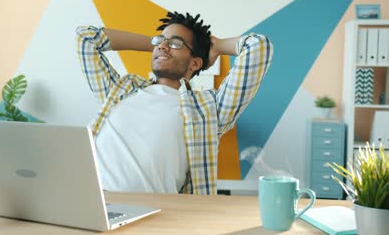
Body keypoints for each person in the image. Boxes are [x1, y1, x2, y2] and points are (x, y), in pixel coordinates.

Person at [76, 11, 273, 195]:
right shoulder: (120, 89)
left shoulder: (208, 109)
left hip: (148, 216)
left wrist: (217, 46)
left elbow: (258, 46)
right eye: (160, 41)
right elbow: (85, 38)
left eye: (176, 43)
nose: (162, 46)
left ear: (195, 63)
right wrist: (157, 45)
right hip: (86, 198)